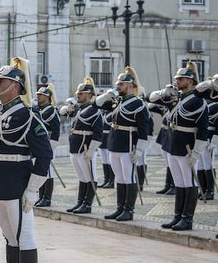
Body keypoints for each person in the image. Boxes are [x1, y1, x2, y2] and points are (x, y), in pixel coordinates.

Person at [0, 57, 52, 263]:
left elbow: (44, 155)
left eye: (1, 80)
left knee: (24, 237)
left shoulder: (28, 117)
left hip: (16, 184)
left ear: (15, 85)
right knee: (9, 237)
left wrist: (33, 189)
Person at [158, 62, 208, 231]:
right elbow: (151, 98)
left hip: (188, 147)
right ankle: (177, 216)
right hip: (173, 145)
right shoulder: (175, 98)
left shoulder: (198, 101)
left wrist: (197, 152)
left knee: (189, 183)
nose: (177, 81)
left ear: (191, 81)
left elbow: (203, 129)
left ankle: (188, 219)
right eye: (177, 78)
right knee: (179, 183)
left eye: (181, 79)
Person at [96, 67, 151, 222]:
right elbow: (97, 104)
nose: (118, 86)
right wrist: (107, 95)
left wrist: (139, 150)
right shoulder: (116, 102)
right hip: (114, 144)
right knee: (119, 178)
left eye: (121, 84)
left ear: (130, 85)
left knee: (128, 177)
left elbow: (144, 130)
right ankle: (120, 208)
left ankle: (129, 210)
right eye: (118, 83)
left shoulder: (138, 104)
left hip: (129, 146)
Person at [60, 78, 103, 213]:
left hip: (86, 148)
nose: (78, 95)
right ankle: (80, 202)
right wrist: (67, 107)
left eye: (81, 93)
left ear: (89, 95)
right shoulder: (78, 109)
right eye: (78, 93)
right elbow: (61, 112)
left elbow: (98, 133)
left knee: (90, 176)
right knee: (82, 177)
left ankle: (87, 204)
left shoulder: (94, 111)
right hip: (75, 147)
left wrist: (92, 149)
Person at [33, 84, 60, 207]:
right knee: (40, 170)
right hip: (39, 143)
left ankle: (47, 198)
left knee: (48, 172)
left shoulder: (51, 110)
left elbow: (56, 130)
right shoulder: (37, 109)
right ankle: (41, 196)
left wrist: (51, 146)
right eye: (38, 94)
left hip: (48, 142)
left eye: (41, 95)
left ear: (48, 96)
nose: (38, 96)